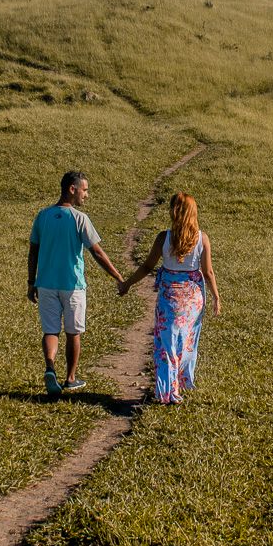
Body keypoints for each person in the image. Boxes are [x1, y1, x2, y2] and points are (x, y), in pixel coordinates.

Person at [119, 192, 221, 404]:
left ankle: (167, 390)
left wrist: (128, 283)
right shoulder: (202, 238)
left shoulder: (163, 238)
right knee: (186, 341)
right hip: (193, 297)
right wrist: (216, 297)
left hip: (169, 297)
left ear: (174, 212)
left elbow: (147, 266)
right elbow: (208, 272)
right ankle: (180, 382)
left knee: (167, 344)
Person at [28, 170, 124, 396]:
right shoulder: (80, 219)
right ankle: (70, 378)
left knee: (51, 330)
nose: (86, 195)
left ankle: (50, 368)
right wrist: (118, 277)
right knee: (73, 332)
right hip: (72, 285)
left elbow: (33, 251)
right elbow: (97, 253)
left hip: (46, 283)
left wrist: (31, 281)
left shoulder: (43, 216)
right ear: (72, 189)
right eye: (85, 190)